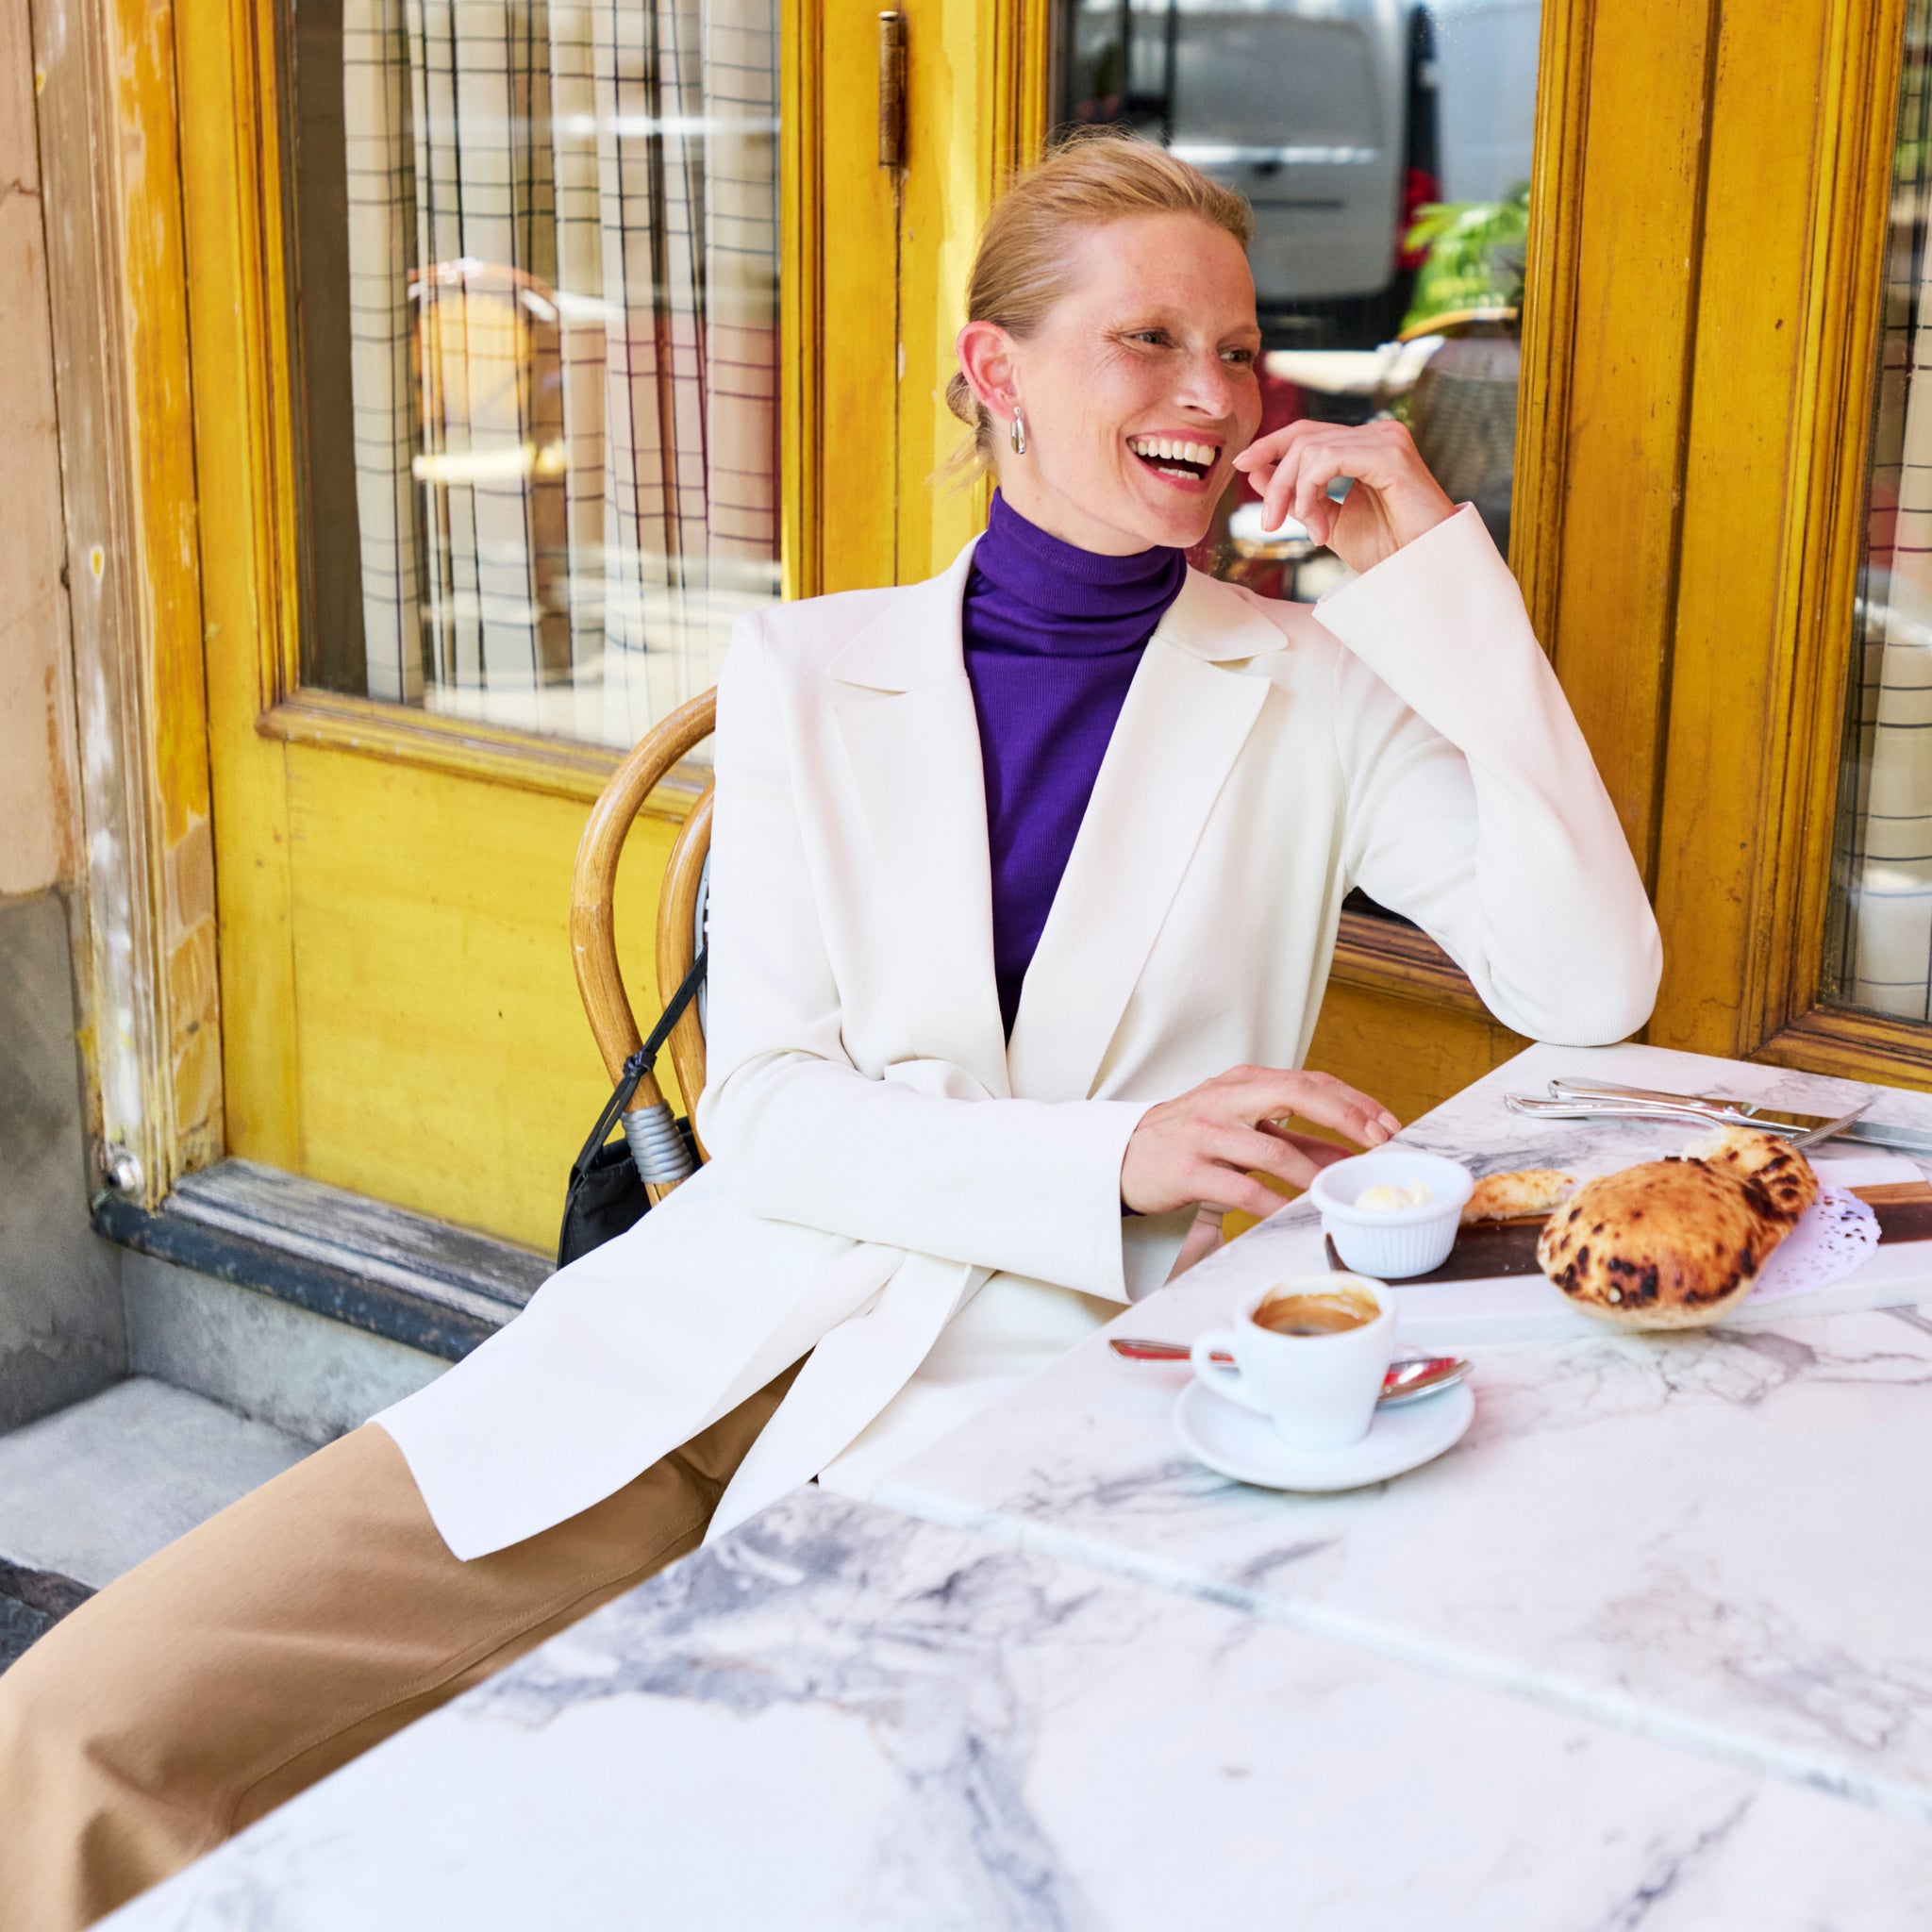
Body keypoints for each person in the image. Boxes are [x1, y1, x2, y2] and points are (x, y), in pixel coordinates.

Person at [0, 131, 1659, 1926]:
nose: (1209, 391)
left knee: (707, 1850)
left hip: (1030, 1390)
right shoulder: (807, 666)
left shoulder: (1318, 688)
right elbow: (773, 1114)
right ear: (993, 373)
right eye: (1150, 342)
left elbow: (1592, 989)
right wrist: (1121, 1149)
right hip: (695, 1343)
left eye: (1239, 350)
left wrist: (1436, 582)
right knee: (80, 1729)